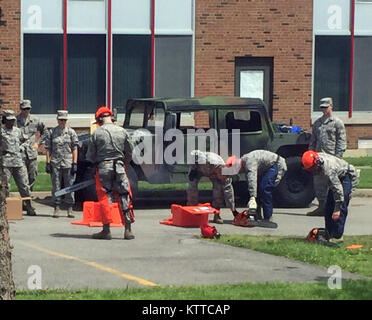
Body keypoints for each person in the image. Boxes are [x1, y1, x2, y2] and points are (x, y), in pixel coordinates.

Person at [85, 106, 135, 240]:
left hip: (103, 168)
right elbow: (130, 152)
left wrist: (98, 162)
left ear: (99, 120)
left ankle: (106, 230)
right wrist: (123, 162)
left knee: (105, 198)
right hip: (119, 167)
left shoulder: (96, 134)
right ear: (111, 117)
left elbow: (90, 156)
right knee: (125, 195)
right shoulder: (123, 131)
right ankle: (128, 230)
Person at [302, 150, 358, 243]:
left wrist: (337, 209)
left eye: (312, 169)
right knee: (328, 207)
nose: (312, 171)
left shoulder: (328, 170)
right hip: (336, 178)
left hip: (346, 177)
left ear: (316, 163)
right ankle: (329, 234)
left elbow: (338, 190)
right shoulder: (316, 160)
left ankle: (337, 237)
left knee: (340, 208)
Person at [308, 97, 346, 216]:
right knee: (319, 183)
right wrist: (311, 154)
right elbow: (313, 140)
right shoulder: (318, 123)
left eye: (326, 106)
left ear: (331, 106)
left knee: (333, 183)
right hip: (318, 158)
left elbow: (341, 140)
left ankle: (334, 208)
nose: (324, 109)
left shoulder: (337, 122)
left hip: (332, 158)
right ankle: (321, 207)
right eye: (322, 107)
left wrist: (338, 157)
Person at [225, 150, 287, 223]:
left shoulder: (249, 163)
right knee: (257, 190)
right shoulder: (245, 162)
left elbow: (252, 179)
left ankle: (268, 217)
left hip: (275, 164)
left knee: (264, 189)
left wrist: (252, 197)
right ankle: (257, 215)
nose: (239, 173)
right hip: (266, 168)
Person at [0, 109, 36, 216]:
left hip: (18, 162)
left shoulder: (17, 131)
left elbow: (27, 140)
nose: (11, 122)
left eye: (13, 120)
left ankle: (29, 206)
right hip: (6, 163)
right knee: (6, 186)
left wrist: (21, 148)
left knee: (24, 185)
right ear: (4, 120)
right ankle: (4, 208)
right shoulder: (1, 132)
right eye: (9, 120)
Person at [187, 150, 237, 224]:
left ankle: (216, 215)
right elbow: (194, 153)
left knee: (218, 191)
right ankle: (191, 212)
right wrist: (193, 167)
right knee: (192, 187)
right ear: (220, 171)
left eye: (225, 177)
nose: (224, 179)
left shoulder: (225, 175)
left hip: (213, 174)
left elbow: (228, 191)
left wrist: (234, 211)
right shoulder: (210, 160)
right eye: (223, 177)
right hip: (198, 169)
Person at [44, 110, 78, 218]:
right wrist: (48, 162)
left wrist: (75, 163)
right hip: (55, 162)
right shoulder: (52, 132)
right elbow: (48, 148)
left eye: (64, 120)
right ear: (57, 120)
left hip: (68, 162)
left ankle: (69, 208)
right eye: (60, 120)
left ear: (66, 120)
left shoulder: (71, 132)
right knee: (56, 185)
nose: (62, 122)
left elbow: (74, 148)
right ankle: (57, 207)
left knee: (69, 185)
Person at [16, 99, 46, 191]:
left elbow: (45, 132)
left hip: (32, 153)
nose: (26, 111)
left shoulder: (36, 120)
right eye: (24, 109)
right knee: (23, 177)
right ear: (21, 109)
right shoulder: (15, 121)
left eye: (28, 109)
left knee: (33, 175)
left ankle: (29, 193)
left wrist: (38, 142)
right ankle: (26, 199)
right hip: (20, 153)